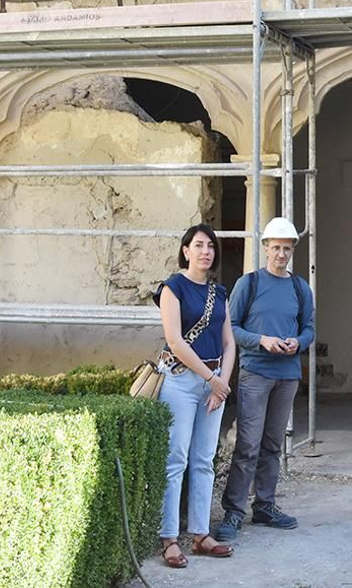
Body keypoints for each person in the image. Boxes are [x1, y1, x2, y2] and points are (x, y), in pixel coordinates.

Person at [214, 216, 316, 542]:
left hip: (287, 376)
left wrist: (298, 342)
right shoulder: (250, 284)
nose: (281, 254)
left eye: (287, 249)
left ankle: (265, 505)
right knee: (248, 444)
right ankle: (233, 511)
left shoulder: (300, 288)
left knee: (273, 444)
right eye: (276, 248)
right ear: (266, 248)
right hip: (255, 374)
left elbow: (309, 328)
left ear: (293, 250)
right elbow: (231, 328)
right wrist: (262, 340)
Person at [155, 223, 237, 568]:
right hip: (180, 382)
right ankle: (169, 538)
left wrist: (222, 383)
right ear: (186, 251)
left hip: (214, 382)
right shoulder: (172, 289)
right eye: (199, 245)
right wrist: (211, 379)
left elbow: (229, 342)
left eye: (211, 246)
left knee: (205, 460)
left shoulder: (220, 293)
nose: (206, 251)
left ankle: (201, 534)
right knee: (176, 459)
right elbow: (175, 341)